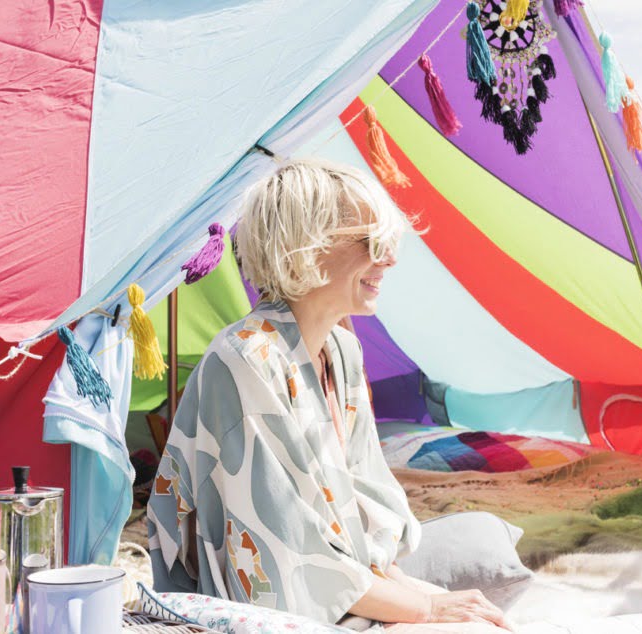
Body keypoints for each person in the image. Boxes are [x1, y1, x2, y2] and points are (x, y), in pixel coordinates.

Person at [147, 159, 512, 632]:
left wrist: (419, 596)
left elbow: (366, 508)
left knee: (481, 596)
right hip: (272, 601)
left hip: (345, 584)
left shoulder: (342, 350)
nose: (389, 259)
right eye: (371, 242)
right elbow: (286, 555)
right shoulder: (246, 359)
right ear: (305, 247)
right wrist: (424, 609)